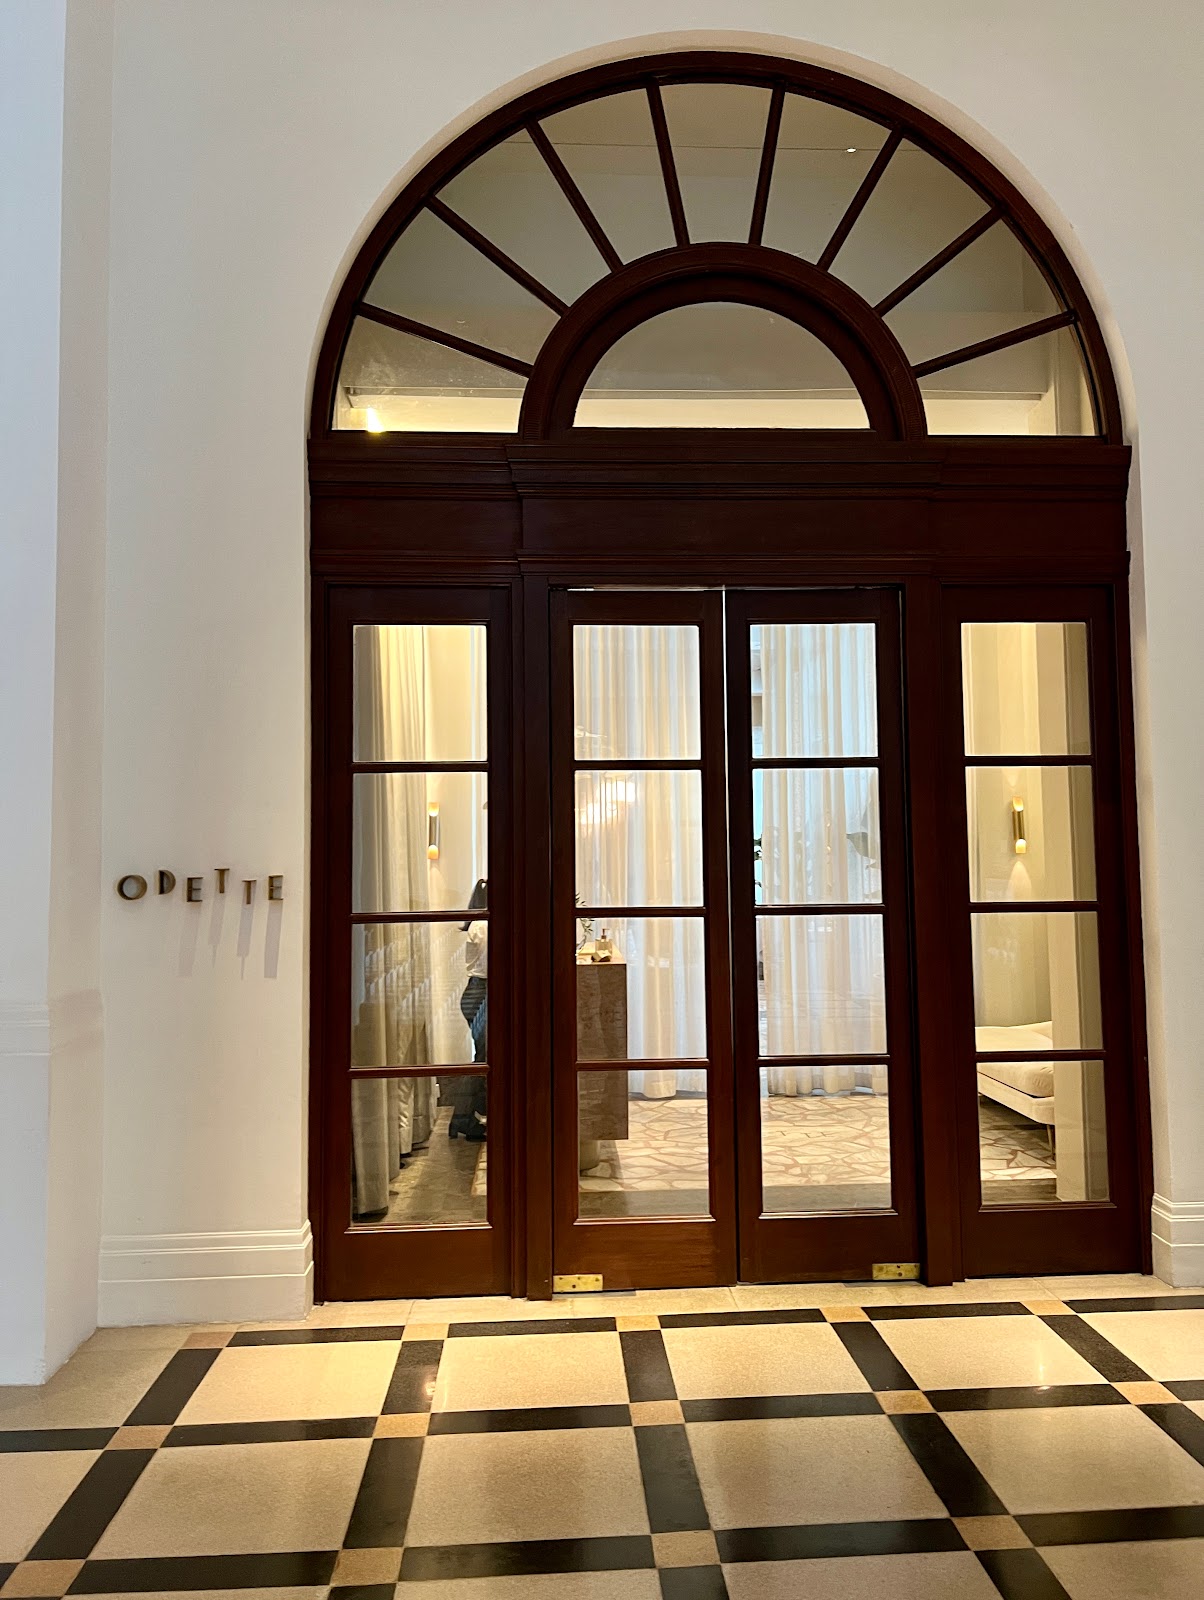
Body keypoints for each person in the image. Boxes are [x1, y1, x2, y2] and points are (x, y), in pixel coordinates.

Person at [451, 879, 488, 1140]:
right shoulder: (484, 925)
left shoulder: (479, 923)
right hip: (482, 992)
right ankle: (465, 1119)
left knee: (484, 1058)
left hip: (477, 991)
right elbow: (491, 963)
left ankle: (463, 1119)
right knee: (484, 1060)